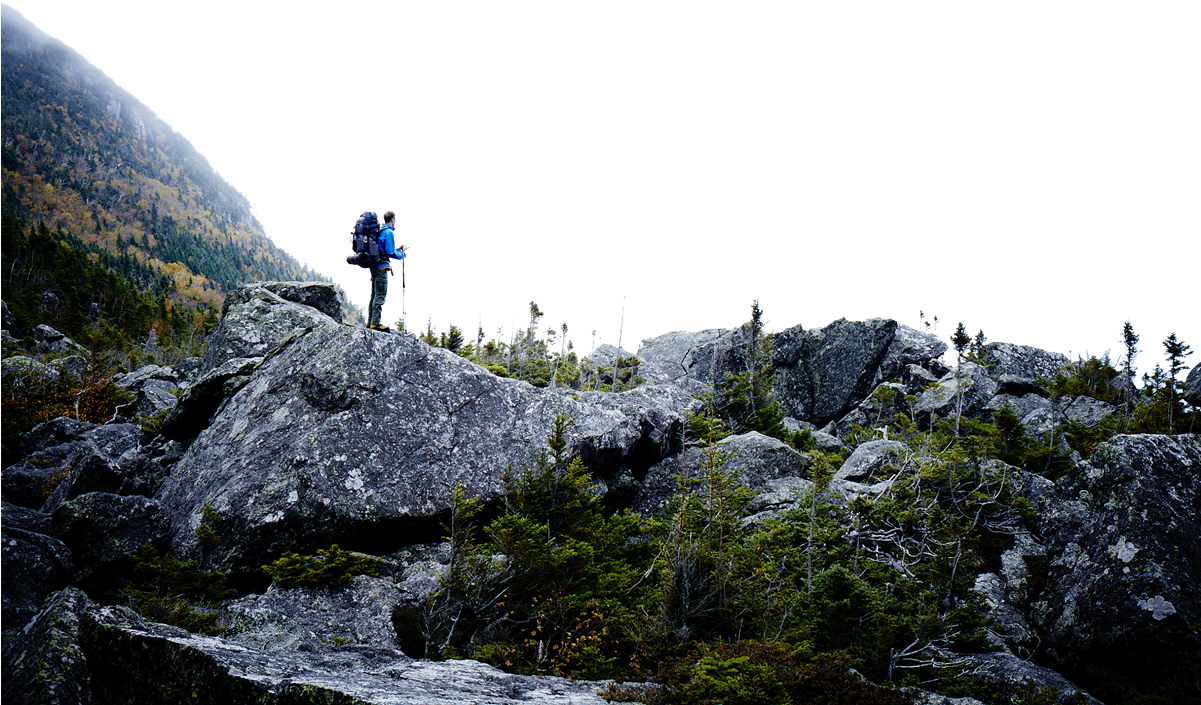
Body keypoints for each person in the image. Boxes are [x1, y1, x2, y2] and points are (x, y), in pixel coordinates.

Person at [367, 210, 410, 330]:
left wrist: (398, 250)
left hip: (374, 267)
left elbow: (384, 249)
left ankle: (371, 321)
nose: (395, 221)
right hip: (382, 268)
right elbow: (390, 252)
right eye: (395, 219)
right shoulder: (389, 233)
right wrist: (403, 255)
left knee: (374, 294)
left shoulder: (379, 231)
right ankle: (375, 323)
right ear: (392, 219)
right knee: (380, 295)